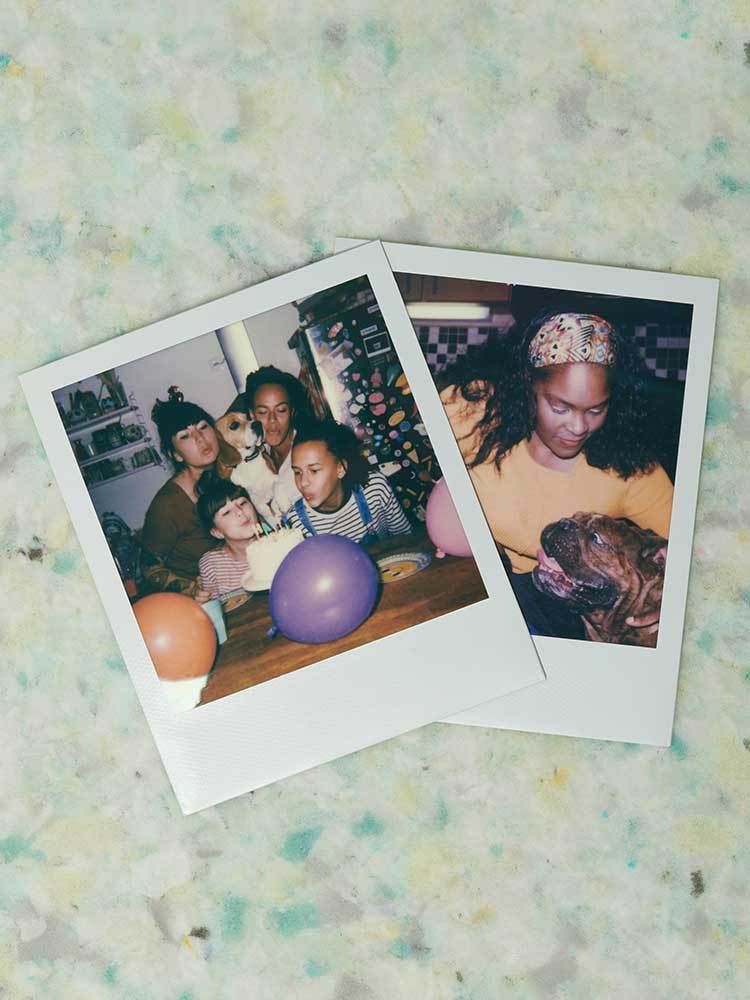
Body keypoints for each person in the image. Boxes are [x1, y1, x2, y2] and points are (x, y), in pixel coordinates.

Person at [439, 310, 674, 640]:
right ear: (526, 387)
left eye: (596, 410)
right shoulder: (473, 412)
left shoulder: (629, 468)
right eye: (560, 408)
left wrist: (673, 601)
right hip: (478, 581)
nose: (578, 427)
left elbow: (705, 555)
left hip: (561, 608)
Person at [140, 387, 220, 597]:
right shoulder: (167, 504)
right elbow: (149, 568)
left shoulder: (230, 474)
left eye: (203, 427)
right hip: (192, 600)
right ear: (176, 455)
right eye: (185, 436)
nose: (200, 438)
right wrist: (191, 589)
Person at [285, 421, 411, 545]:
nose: (303, 483)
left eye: (314, 470)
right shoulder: (295, 523)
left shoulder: (375, 489)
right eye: (297, 472)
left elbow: (407, 540)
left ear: (340, 469)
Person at [243, 366, 315, 515]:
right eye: (263, 412)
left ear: (292, 411)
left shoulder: (311, 451)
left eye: (281, 410)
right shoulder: (255, 455)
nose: (272, 420)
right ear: (252, 415)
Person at [196, 477, 262, 601]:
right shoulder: (212, 564)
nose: (239, 511)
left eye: (242, 503)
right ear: (217, 532)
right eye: (226, 512)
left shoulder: (279, 543)